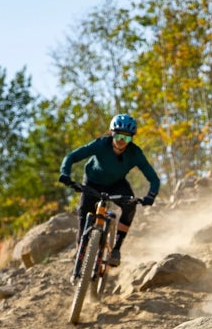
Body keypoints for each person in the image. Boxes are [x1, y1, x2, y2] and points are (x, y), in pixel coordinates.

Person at [59, 114, 160, 267]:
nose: (121, 141)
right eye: (118, 135)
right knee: (84, 212)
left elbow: (154, 179)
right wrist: (65, 173)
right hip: (93, 181)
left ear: (131, 139)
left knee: (130, 206)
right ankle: (81, 249)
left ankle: (116, 250)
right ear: (112, 133)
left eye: (127, 138)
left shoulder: (135, 153)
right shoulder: (100, 145)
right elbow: (71, 156)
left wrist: (151, 195)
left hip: (116, 183)